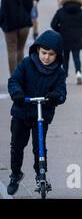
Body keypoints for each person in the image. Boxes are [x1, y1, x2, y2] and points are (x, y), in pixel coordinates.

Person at [6, 30, 67, 195]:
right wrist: (17, 93)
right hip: (21, 111)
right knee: (17, 145)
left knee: (39, 146)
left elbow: (62, 92)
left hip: (42, 114)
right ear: (37, 50)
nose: (46, 57)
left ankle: (41, 173)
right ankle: (15, 174)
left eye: (51, 54)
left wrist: (56, 96)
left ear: (57, 55)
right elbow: (14, 81)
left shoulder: (59, 73)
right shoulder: (26, 64)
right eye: (43, 53)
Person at [51, 0, 82, 84]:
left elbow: (53, 24)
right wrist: (80, 34)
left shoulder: (60, 11)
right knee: (76, 57)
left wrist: (60, 32)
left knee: (65, 58)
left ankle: (64, 76)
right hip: (76, 37)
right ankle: (78, 73)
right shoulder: (81, 11)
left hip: (64, 37)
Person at [0, 0, 34, 74]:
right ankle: (21, 76)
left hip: (10, 26)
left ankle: (14, 77)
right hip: (24, 25)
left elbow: (3, 10)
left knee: (11, 51)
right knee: (20, 50)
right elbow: (30, 5)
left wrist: (2, 23)